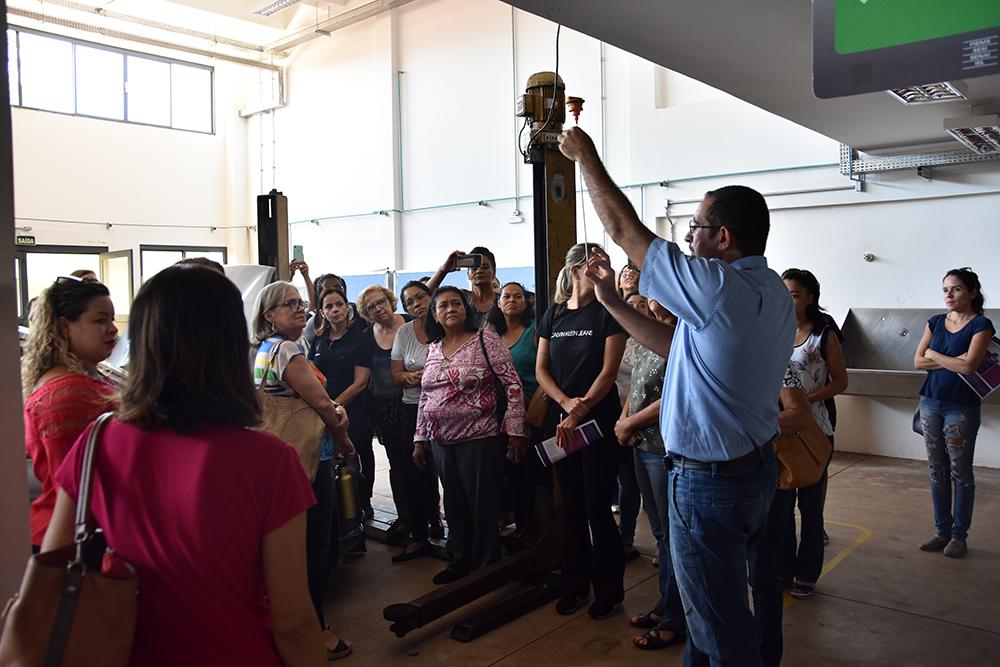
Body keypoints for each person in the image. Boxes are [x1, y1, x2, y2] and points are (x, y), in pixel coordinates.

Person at [559, 126, 795, 666]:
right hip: (753, 469)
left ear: (724, 237)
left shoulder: (718, 286)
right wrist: (611, 302)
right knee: (719, 610)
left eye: (696, 227)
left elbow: (623, 229)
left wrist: (584, 156)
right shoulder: (769, 290)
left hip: (710, 482)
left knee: (716, 622)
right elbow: (675, 344)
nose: (688, 238)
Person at [44, 266, 326, 664]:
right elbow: (293, 622)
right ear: (229, 345)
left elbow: (54, 565)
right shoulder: (270, 461)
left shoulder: (98, 440)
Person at [252, 280, 356, 659]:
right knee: (313, 548)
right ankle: (316, 629)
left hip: (279, 461)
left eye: (300, 302)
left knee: (290, 550)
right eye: (289, 304)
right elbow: (323, 405)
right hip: (308, 461)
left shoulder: (264, 349)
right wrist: (343, 435)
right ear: (269, 315)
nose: (300, 308)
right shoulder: (288, 350)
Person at [536, 243, 627, 620]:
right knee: (571, 507)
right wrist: (565, 404)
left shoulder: (609, 312)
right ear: (575, 271)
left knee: (596, 508)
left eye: (606, 263)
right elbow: (542, 368)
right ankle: (574, 585)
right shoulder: (554, 314)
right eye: (596, 263)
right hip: (562, 423)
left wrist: (581, 408)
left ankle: (609, 590)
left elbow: (608, 372)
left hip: (597, 422)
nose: (603, 269)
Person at [414, 287, 528, 585]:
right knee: (453, 504)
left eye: (456, 303)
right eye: (443, 305)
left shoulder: (485, 339)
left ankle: (486, 566)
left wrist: (516, 430)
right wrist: (419, 439)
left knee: (482, 504)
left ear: (466, 309)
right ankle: (460, 561)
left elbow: (513, 385)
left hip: (480, 436)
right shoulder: (433, 348)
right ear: (434, 315)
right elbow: (425, 397)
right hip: (441, 441)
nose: (450, 308)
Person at [21, 275, 119, 551]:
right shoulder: (69, 393)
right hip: (71, 540)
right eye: (100, 320)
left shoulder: (84, 377)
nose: (112, 329)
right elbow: (73, 484)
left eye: (111, 319)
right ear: (65, 326)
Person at [613, 294, 684, 650]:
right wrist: (623, 419)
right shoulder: (646, 336)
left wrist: (630, 423)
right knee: (660, 534)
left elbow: (672, 396)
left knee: (672, 537)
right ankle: (665, 605)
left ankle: (675, 618)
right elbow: (635, 387)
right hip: (641, 444)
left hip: (663, 447)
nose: (654, 299)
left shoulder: (682, 338)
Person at [914, 267, 994, 559]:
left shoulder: (981, 325)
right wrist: (950, 359)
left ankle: (959, 536)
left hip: (961, 406)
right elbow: (917, 361)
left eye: (956, 289)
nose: (949, 295)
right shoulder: (935, 322)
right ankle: (941, 532)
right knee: (937, 470)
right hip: (930, 402)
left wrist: (935, 355)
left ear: (972, 292)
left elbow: (969, 366)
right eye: (945, 289)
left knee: (961, 472)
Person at [781, 268, 848, 598]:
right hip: (781, 431)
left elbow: (840, 381)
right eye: (784, 294)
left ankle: (806, 574)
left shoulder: (824, 334)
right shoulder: (774, 331)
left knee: (810, 507)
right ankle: (782, 569)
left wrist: (805, 401)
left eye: (794, 294)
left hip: (815, 430)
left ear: (810, 298)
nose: (788, 300)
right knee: (780, 508)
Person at [749, 364, 814, 667]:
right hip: (714, 483)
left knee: (763, 575)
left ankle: (765, 655)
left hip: (766, 482)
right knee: (721, 580)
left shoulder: (774, 363)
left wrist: (746, 427)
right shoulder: (705, 355)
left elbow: (799, 414)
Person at [389, 280, 444, 562]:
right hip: (413, 408)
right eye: (409, 301)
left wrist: (432, 377)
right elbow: (396, 375)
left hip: (446, 408)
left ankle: (459, 536)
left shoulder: (445, 326)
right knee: (413, 470)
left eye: (420, 297)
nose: (416, 304)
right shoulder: (404, 332)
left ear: (430, 297)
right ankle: (419, 536)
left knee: (448, 471)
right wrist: (411, 377)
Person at [487, 282, 541, 533]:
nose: (511, 300)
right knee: (499, 472)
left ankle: (527, 531)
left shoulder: (535, 330)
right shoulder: (490, 334)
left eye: (517, 296)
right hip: (495, 412)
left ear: (526, 301)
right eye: (506, 296)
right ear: (498, 303)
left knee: (525, 474)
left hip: (531, 408)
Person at [358, 284, 410, 533]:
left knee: (423, 462)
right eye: (371, 307)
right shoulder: (367, 336)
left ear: (390, 301)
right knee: (396, 464)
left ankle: (432, 517)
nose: (378, 308)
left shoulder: (410, 324)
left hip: (413, 405)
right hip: (383, 410)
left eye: (381, 302)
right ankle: (405, 518)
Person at [428, 247, 501, 328]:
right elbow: (424, 296)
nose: (479, 271)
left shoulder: (503, 301)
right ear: (468, 274)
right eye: (474, 268)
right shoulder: (460, 297)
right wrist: (443, 270)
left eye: (485, 267)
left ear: (494, 272)